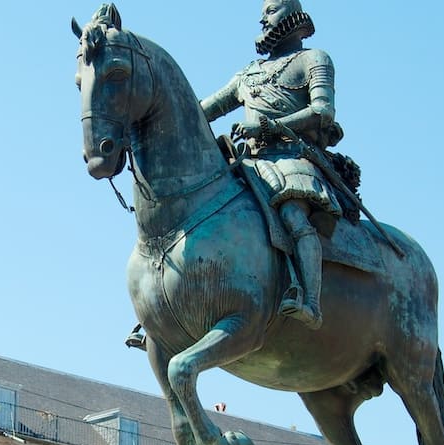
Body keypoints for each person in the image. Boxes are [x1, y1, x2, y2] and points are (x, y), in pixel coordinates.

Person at [126, 0, 342, 350]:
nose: (262, 17)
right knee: (202, 215)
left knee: (291, 215)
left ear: (290, 14)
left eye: (270, 9)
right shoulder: (249, 73)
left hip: (291, 157)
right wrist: (149, 116)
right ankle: (160, 307)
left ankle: (308, 299)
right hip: (248, 162)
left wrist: (273, 126)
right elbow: (200, 111)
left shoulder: (313, 59)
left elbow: (323, 111)